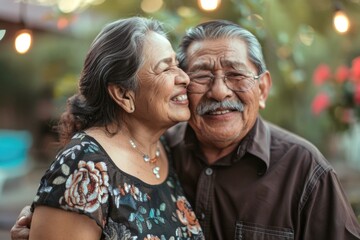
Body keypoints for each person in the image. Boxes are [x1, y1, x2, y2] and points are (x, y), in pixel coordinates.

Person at [11, 19, 360, 240]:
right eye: (202, 75)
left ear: (263, 89)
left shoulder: (305, 171)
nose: (220, 91)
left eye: (236, 75)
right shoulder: (150, 153)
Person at [13, 16, 204, 240]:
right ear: (123, 94)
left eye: (177, 65)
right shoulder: (84, 166)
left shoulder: (165, 147)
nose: (184, 78)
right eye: (165, 69)